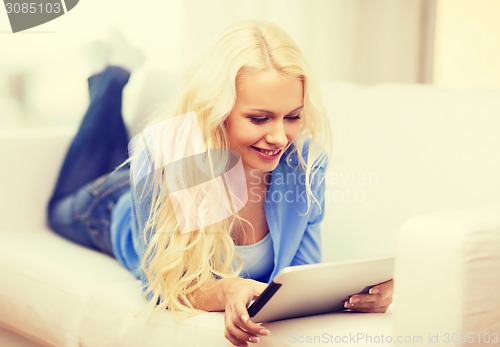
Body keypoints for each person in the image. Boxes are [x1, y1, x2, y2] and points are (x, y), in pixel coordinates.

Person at [47, 20, 393, 347]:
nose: (278, 137)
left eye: (292, 116)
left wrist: (357, 296)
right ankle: (111, 75)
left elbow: (299, 275)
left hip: (149, 173)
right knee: (58, 206)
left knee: (117, 151)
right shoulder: (167, 157)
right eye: (259, 118)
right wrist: (226, 290)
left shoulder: (304, 162)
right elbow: (163, 284)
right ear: (217, 110)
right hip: (108, 206)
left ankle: (111, 75)